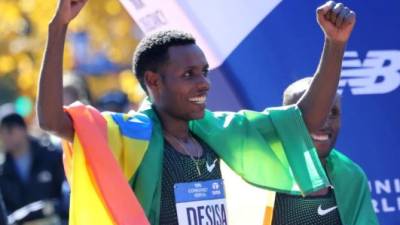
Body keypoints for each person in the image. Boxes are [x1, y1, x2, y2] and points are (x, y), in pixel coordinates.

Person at [37, 0, 356, 224]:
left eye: (204, 72)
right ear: (153, 81)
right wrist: (59, 27)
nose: (204, 84)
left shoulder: (221, 134)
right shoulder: (130, 136)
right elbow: (52, 120)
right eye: (189, 75)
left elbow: (304, 122)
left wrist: (335, 43)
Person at [269, 77, 379, 225]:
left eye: (333, 112)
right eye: (311, 113)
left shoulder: (351, 176)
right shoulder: (257, 168)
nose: (323, 122)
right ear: (285, 119)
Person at [0, 113, 68, 224]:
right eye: (1, 133)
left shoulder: (51, 157)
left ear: (23, 129)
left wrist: (51, 208)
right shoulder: (2, 170)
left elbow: (66, 194)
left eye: (9, 130)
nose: (5, 137)